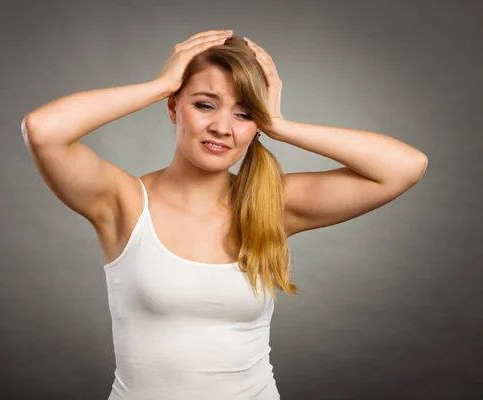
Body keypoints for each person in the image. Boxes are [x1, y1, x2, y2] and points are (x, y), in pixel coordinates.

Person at [21, 30, 427, 399]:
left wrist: (281, 126)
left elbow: (404, 167)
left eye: (244, 114)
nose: (222, 127)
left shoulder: (270, 203)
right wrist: (160, 84)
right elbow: (43, 130)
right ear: (173, 108)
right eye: (203, 104)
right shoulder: (123, 201)